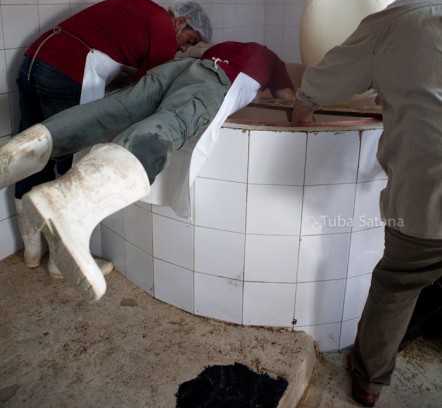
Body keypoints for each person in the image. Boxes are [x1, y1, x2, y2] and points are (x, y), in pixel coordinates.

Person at [0, 41, 295, 302]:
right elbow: (286, 97)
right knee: (170, 125)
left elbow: (198, 57)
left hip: (180, 68)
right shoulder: (272, 61)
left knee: (112, 110)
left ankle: (12, 156)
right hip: (214, 80)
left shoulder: (230, 46)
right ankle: (69, 202)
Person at [291, 0, 442, 407]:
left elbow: (339, 65)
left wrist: (305, 101)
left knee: (399, 282)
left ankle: (369, 381)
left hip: (429, 191)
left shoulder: (399, 15)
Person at [14, 0, 212, 280]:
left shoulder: (144, 10)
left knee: (34, 153)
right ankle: (62, 262)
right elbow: (151, 89)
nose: (185, 48)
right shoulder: (162, 29)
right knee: (71, 163)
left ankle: (32, 252)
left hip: (33, 63)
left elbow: (119, 57)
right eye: (190, 39)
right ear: (180, 22)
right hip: (63, 72)